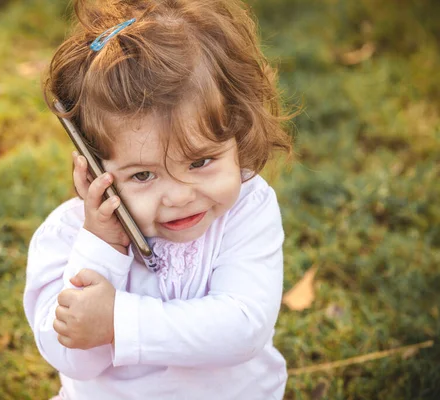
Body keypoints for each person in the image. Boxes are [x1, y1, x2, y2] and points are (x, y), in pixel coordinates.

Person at [23, 0, 294, 398]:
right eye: (143, 175)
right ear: (93, 171)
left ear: (237, 133)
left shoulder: (245, 211)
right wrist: (102, 247)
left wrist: (119, 321)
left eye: (201, 161)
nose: (180, 196)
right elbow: (72, 357)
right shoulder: (64, 239)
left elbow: (243, 328)